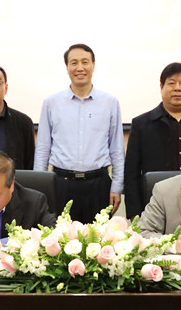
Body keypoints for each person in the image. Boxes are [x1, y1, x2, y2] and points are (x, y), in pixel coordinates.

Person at [34, 43, 124, 222]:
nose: (80, 68)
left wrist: (117, 187)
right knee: (59, 237)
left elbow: (117, 149)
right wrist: (39, 188)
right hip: (61, 184)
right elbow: (43, 148)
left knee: (98, 237)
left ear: (93, 65)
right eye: (74, 63)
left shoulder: (110, 102)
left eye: (85, 62)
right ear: (67, 67)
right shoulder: (52, 103)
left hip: (98, 185)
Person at [124, 62, 181, 219]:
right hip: (153, 205)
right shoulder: (141, 124)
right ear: (161, 87)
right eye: (171, 83)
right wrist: (135, 213)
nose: (177, 88)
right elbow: (131, 173)